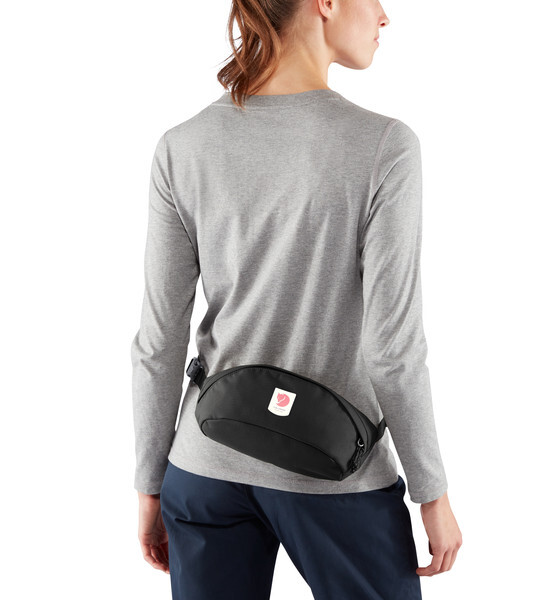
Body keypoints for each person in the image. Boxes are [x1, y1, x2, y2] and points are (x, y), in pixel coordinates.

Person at [131, 0, 462, 598]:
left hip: (204, 466)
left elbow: (158, 342)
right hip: (336, 474)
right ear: (326, 3)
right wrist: (431, 492)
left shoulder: (182, 146)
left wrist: (149, 484)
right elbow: (392, 350)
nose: (385, 16)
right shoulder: (384, 147)